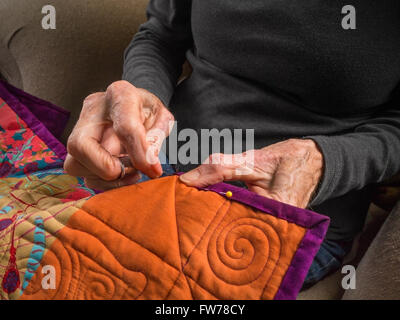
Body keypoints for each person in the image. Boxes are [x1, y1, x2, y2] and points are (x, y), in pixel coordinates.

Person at [64, 0, 400, 288]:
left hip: (286, 211)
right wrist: (141, 98)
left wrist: (322, 163)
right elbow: (160, 37)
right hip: (155, 164)